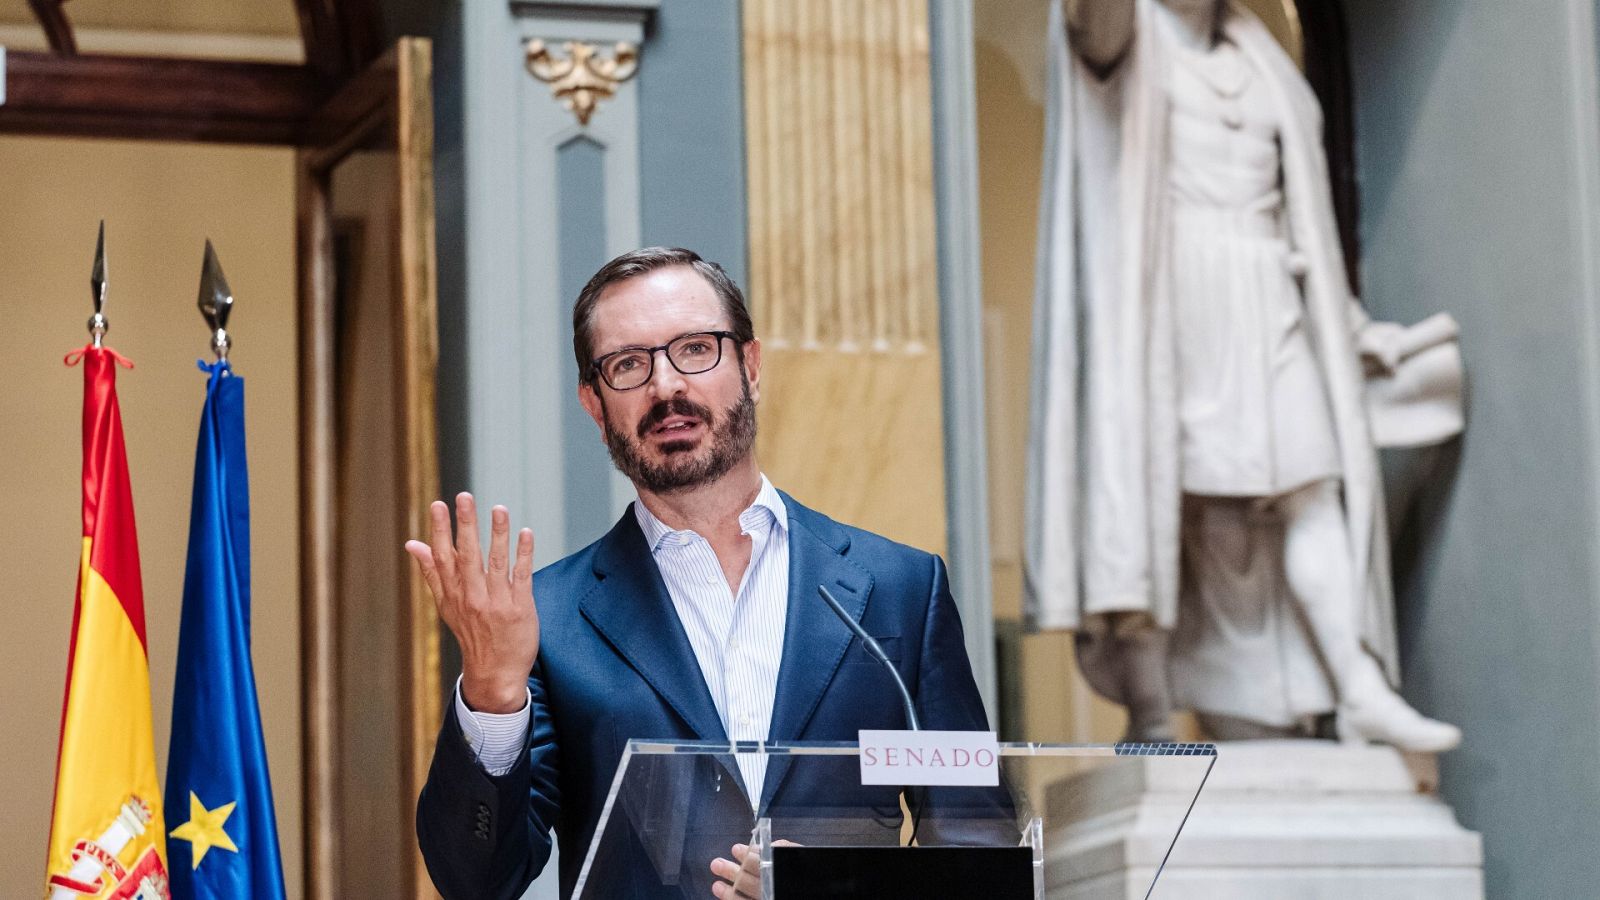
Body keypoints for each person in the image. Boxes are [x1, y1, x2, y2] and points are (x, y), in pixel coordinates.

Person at [410, 248, 1000, 899]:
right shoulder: (550, 619)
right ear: (594, 405)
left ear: (749, 366)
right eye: (628, 365)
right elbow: (474, 882)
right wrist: (493, 691)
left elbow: (982, 850)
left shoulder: (900, 592)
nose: (666, 386)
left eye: (695, 349)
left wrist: (832, 888)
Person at [1025, 0, 1461, 750]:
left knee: (1312, 485)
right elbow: (1093, 22)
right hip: (1169, 308)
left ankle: (1357, 687)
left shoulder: (1264, 61)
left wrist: (1352, 328)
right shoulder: (1122, 36)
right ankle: (1152, 711)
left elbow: (1307, 224)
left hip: (1269, 298)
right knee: (1163, 512)